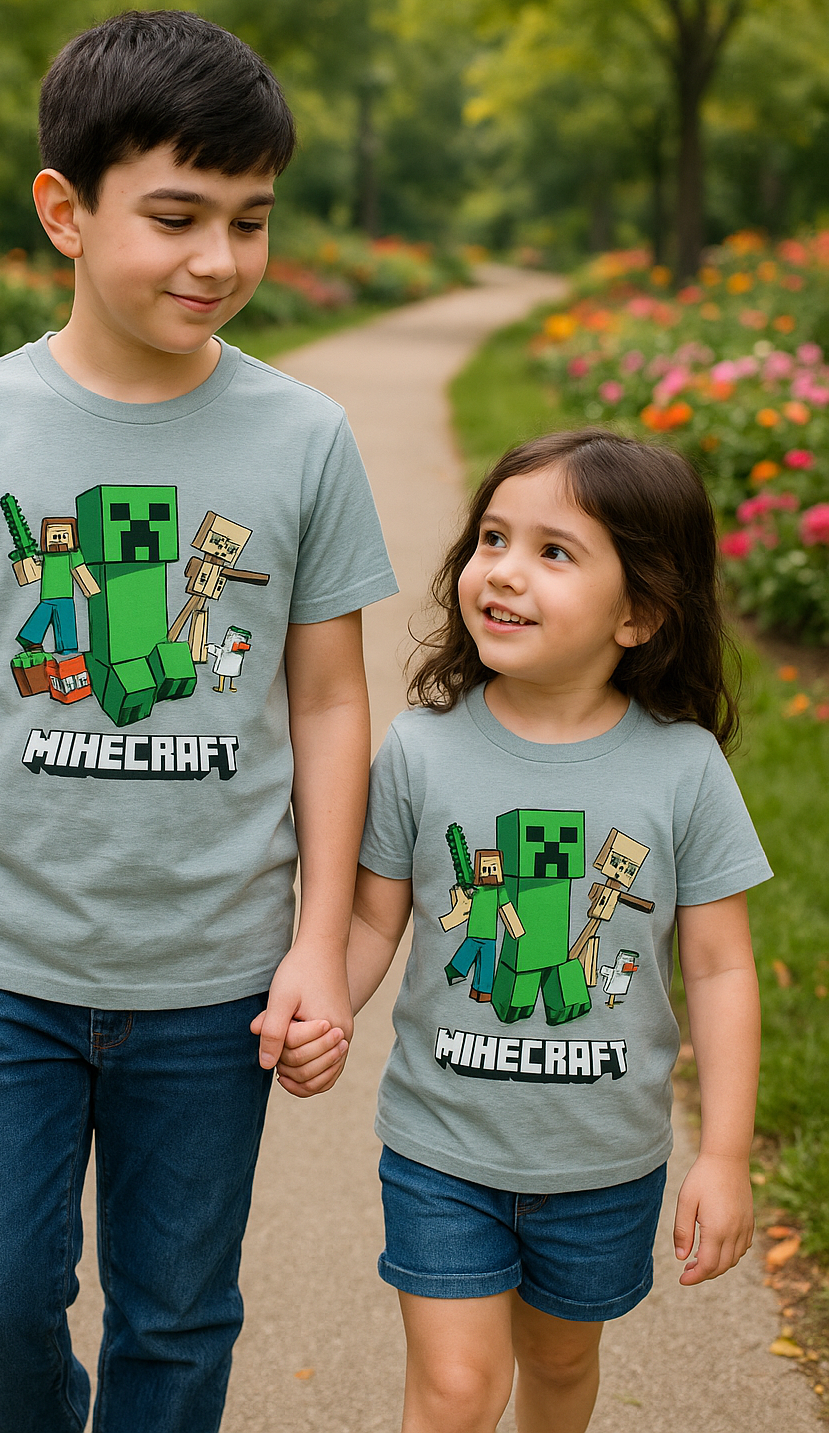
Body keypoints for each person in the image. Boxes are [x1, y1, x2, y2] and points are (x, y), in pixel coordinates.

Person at [0, 11, 396, 1433]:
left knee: (179, 1315)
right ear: (64, 213)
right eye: (176, 216)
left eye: (250, 219)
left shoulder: (304, 439)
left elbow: (332, 700)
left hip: (213, 982)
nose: (220, 260)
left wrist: (318, 947)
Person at [277, 429, 769, 1433]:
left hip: (603, 1161)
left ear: (639, 612)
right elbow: (376, 917)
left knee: (555, 1367)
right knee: (457, 1391)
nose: (500, 572)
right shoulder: (422, 748)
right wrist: (325, 995)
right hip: (441, 1147)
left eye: (553, 552)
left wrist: (721, 1155)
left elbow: (719, 972)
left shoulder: (680, 772)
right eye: (492, 538)